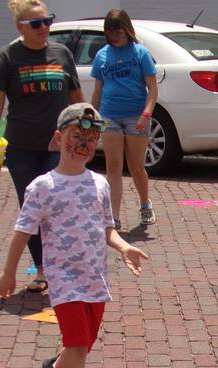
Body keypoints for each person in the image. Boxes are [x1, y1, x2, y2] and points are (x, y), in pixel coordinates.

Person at [0, 103, 149, 368]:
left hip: (95, 278)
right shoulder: (42, 187)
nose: (83, 145)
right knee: (78, 344)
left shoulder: (98, 184)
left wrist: (124, 247)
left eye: (91, 138)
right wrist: (9, 273)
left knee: (81, 346)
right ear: (58, 138)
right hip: (64, 281)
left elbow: (106, 227)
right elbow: (23, 231)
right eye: (75, 137)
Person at [0, 0, 83, 293]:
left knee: (59, 207)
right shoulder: (7, 58)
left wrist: (85, 130)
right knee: (33, 210)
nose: (45, 28)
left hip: (58, 145)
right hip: (22, 147)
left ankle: (64, 266)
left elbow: (77, 96)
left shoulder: (61, 54)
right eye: (37, 23)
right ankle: (42, 269)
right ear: (21, 27)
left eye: (48, 20)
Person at [91, 9, 158, 230]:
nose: (114, 35)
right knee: (113, 166)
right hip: (110, 114)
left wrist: (146, 114)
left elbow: (152, 90)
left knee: (136, 166)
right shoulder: (102, 55)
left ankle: (145, 203)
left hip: (135, 115)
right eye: (110, 31)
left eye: (118, 29)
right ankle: (114, 216)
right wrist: (92, 114)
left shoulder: (140, 53)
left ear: (126, 29)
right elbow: (98, 89)